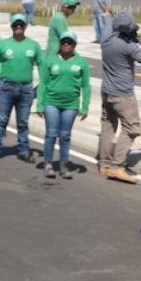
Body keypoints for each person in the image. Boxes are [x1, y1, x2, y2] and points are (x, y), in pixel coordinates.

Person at [98, 11, 141, 183]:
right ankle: (117, 167)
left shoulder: (106, 39)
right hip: (123, 95)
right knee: (132, 128)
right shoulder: (129, 47)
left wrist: (107, 16)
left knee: (108, 126)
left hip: (106, 91)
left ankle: (104, 164)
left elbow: (107, 23)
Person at [36, 32, 91, 180]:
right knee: (51, 133)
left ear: (74, 45)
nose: (66, 44)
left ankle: (63, 165)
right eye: (64, 42)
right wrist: (40, 105)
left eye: (70, 42)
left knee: (65, 135)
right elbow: (43, 84)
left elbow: (86, 86)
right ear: (60, 44)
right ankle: (48, 163)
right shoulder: (50, 60)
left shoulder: (81, 62)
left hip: (71, 104)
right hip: (51, 102)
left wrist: (84, 107)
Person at [0, 14, 39, 163]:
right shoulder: (3, 44)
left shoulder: (33, 45)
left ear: (25, 27)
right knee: (2, 120)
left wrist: (43, 87)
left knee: (23, 122)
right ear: (11, 26)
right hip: (6, 87)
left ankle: (23, 150)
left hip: (26, 89)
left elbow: (43, 65)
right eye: (16, 25)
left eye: (21, 25)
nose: (18, 27)